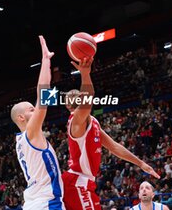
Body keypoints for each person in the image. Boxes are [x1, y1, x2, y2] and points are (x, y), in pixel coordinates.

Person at [62, 57, 160, 210]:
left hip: (84, 182)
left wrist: (140, 163)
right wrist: (85, 74)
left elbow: (114, 147)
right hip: (76, 181)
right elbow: (87, 101)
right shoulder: (75, 121)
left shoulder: (93, 122)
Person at [11, 36, 65, 210]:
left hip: (36, 203)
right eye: (30, 110)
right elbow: (44, 95)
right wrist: (45, 61)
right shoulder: (30, 134)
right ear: (21, 118)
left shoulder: (21, 140)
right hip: (47, 203)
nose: (35, 111)